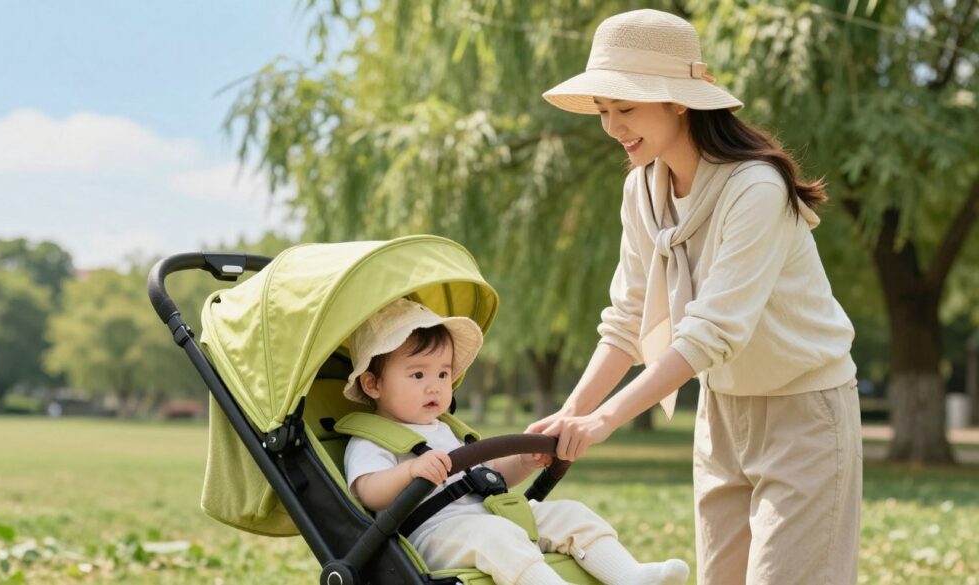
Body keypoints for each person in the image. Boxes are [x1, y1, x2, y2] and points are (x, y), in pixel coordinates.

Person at [530, 9, 863, 585]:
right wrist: (574, 411)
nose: (612, 127)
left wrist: (607, 419)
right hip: (721, 415)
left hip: (805, 412)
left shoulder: (754, 188)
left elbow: (712, 330)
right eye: (604, 111)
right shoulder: (642, 189)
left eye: (626, 108)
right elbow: (628, 320)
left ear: (677, 100)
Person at [342, 298, 689, 585]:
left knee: (569, 513)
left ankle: (630, 576)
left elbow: (487, 476)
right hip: (433, 534)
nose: (435, 385)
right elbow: (368, 490)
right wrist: (410, 472)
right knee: (498, 538)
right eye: (418, 374)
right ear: (373, 385)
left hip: (486, 513)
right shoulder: (371, 440)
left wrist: (523, 461)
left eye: (443, 373)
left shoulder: (443, 429)